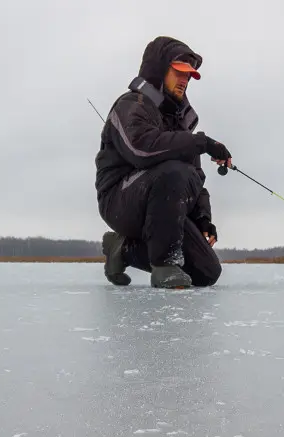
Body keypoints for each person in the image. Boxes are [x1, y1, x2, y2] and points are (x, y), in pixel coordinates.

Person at [94, 36, 232, 289]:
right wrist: (201, 143)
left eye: (189, 76)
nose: (184, 81)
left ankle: (122, 249)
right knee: (174, 171)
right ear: (159, 70)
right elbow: (140, 149)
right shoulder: (130, 105)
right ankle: (164, 265)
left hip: (164, 204)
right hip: (120, 200)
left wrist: (203, 219)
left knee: (206, 272)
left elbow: (195, 181)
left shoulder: (181, 125)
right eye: (178, 72)